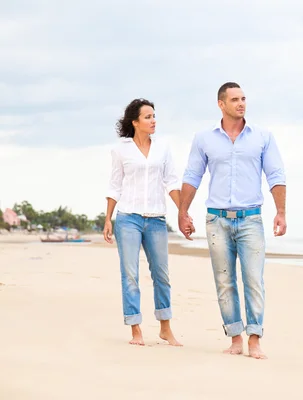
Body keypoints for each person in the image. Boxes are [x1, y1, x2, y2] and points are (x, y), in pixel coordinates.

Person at [178, 82, 287, 359]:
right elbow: (193, 176)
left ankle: (254, 339)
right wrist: (183, 211)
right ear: (221, 104)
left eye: (243, 99)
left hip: (251, 219)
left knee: (253, 279)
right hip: (217, 220)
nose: (241, 103)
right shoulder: (204, 138)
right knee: (224, 281)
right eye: (235, 99)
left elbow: (276, 175)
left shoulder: (263, 137)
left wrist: (281, 212)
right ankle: (235, 338)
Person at [103, 98, 182, 347]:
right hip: (128, 218)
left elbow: (171, 182)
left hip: (157, 218)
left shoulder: (163, 147)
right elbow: (115, 185)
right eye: (147, 117)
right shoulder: (120, 150)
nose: (153, 120)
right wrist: (108, 218)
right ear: (135, 122)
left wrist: (183, 211)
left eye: (154, 116)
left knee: (161, 275)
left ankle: (165, 328)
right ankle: (136, 330)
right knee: (130, 275)